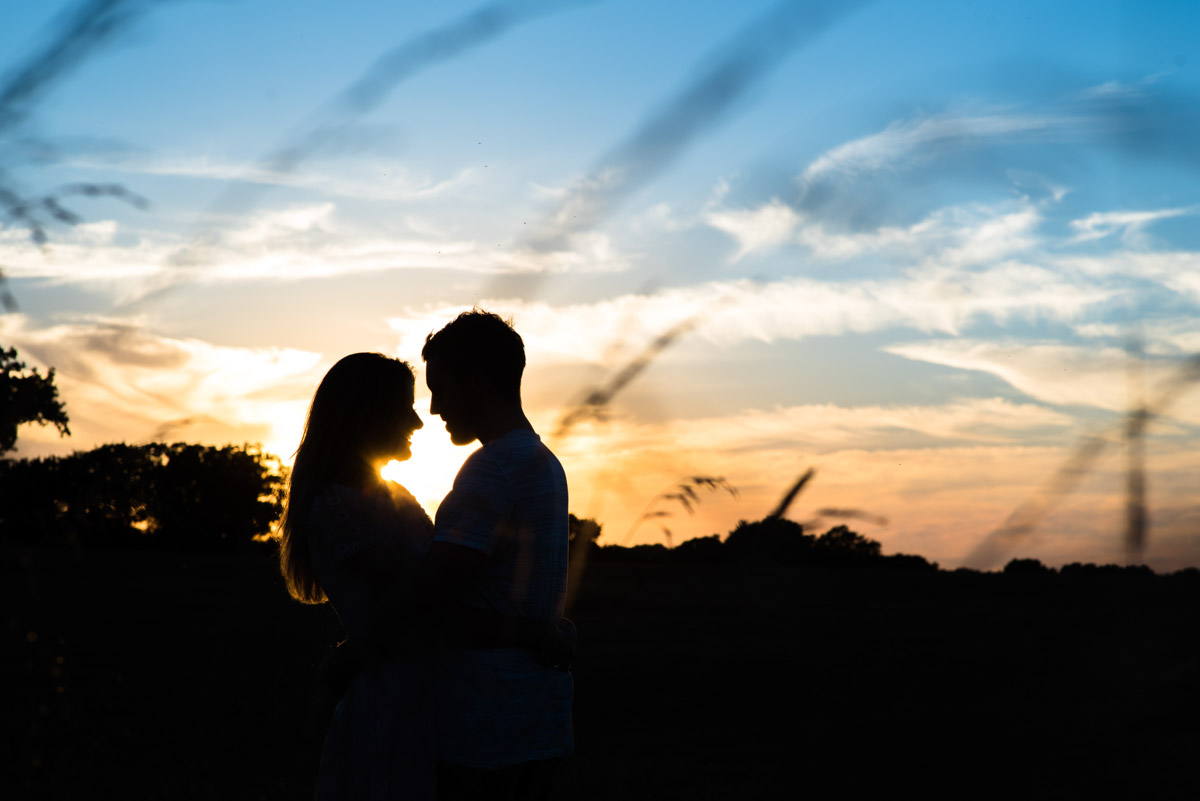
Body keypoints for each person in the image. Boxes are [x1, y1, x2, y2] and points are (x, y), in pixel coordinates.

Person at [279, 352, 566, 801]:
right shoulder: (343, 505)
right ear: (367, 415)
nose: (418, 421)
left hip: (420, 693)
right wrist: (535, 633)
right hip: (391, 698)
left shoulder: (388, 497)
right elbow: (422, 605)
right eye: (404, 407)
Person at [417, 309, 574, 800]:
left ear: (478, 382)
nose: (435, 408)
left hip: (482, 725)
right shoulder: (543, 463)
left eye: (441, 388)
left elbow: (435, 608)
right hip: (533, 713)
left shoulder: (492, 471)